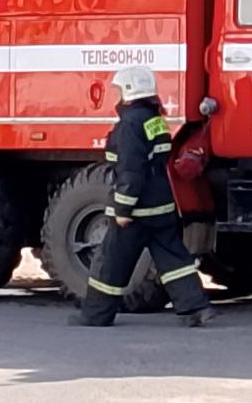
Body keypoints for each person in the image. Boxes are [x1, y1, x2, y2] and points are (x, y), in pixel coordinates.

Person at [70, 65, 216, 328]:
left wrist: (123, 210)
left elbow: (131, 172)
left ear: (128, 91)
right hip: (162, 204)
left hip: (137, 211)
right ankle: (196, 308)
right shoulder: (154, 119)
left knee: (111, 262)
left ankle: (95, 315)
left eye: (119, 90)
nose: (117, 96)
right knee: (174, 260)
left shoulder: (129, 124)